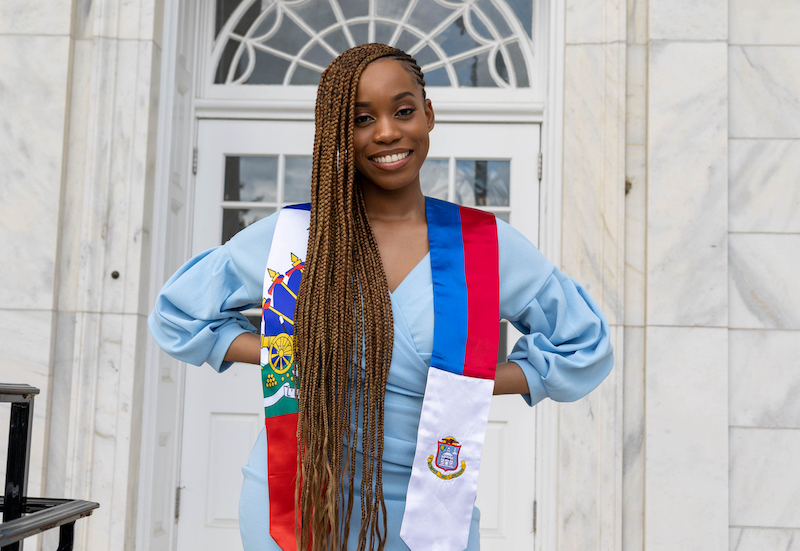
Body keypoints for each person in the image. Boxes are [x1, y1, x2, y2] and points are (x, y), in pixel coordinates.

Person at [149, 44, 613, 551]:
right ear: (337, 134)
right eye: (362, 118)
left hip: (431, 502)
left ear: (428, 115)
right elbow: (178, 316)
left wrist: (468, 383)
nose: (388, 131)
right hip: (298, 497)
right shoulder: (295, 239)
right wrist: (287, 351)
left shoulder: (483, 245)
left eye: (404, 110)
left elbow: (582, 346)